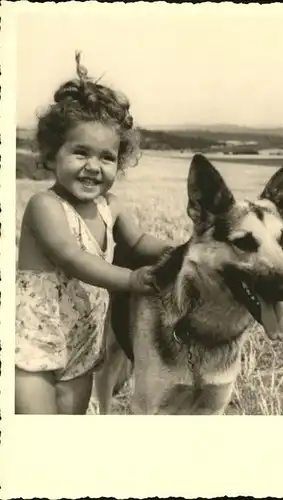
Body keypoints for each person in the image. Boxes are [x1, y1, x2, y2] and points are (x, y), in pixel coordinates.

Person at [15, 52, 171, 414]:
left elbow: (140, 242)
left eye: (106, 157)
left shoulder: (110, 206)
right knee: (38, 438)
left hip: (82, 346)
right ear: (53, 154)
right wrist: (131, 280)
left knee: (69, 435)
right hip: (34, 345)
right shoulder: (45, 206)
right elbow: (74, 258)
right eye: (80, 152)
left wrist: (184, 250)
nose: (93, 167)